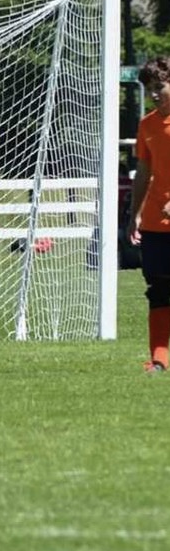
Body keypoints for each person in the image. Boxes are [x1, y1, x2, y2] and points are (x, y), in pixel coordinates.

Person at [127, 55, 170, 372]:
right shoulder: (147, 125)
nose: (154, 95)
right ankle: (159, 360)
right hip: (156, 224)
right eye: (149, 90)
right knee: (158, 289)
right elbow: (143, 172)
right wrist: (134, 215)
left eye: (159, 87)